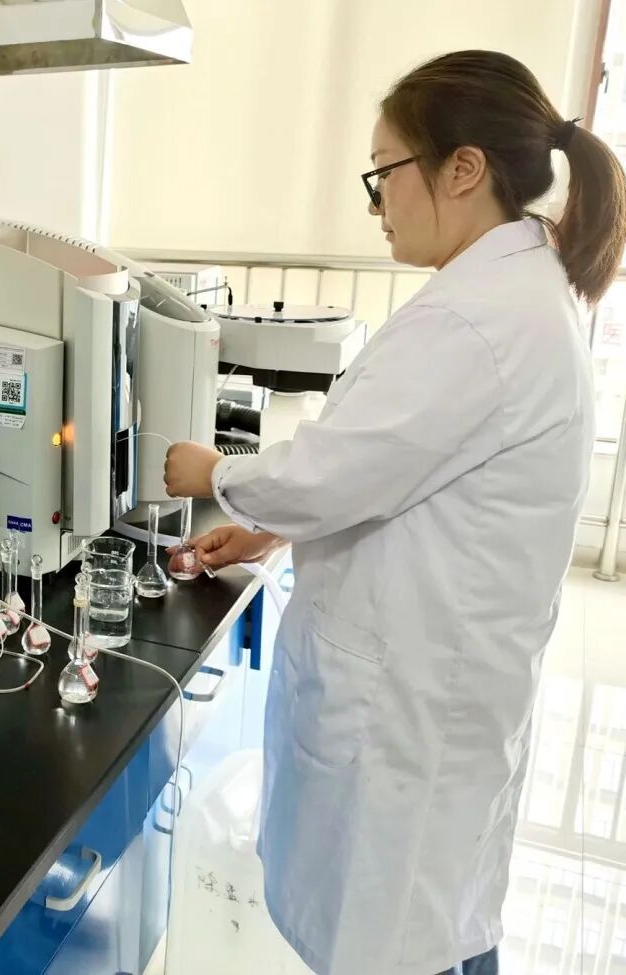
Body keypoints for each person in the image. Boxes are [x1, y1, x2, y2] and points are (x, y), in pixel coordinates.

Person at [164, 50, 626, 975]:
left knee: (409, 939)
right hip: (439, 701)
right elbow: (401, 468)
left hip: (408, 722)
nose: (375, 201)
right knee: (433, 931)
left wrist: (212, 471)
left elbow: (332, 472)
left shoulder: (476, 320)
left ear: (462, 169)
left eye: (384, 171)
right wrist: (273, 526)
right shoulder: (509, 291)